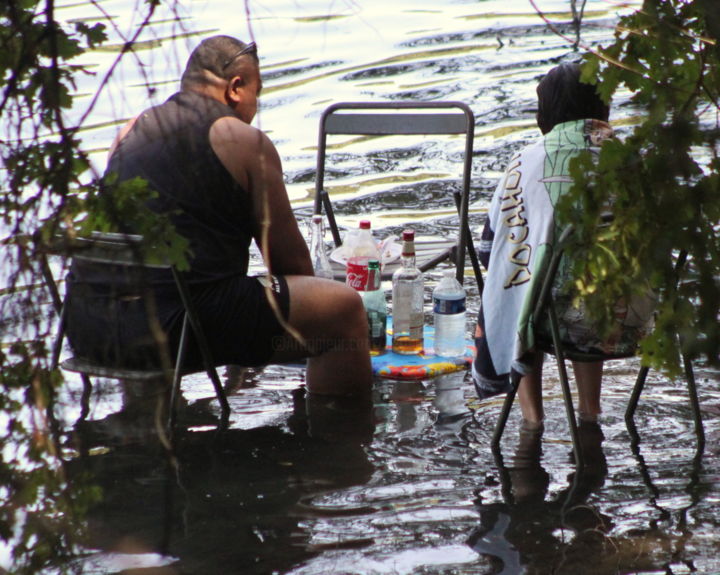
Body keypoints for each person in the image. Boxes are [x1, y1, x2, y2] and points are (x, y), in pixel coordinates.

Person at [65, 35, 372, 402]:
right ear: (237, 88)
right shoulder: (243, 141)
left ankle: (150, 428)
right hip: (175, 330)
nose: (255, 107)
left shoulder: (128, 131)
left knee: (161, 285)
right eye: (257, 94)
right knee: (342, 310)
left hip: (91, 326)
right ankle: (339, 447)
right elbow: (291, 264)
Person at [472, 62, 654, 428]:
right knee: (588, 281)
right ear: (603, 107)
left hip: (546, 321)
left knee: (522, 281)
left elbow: (491, 250)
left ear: (547, 111)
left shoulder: (525, 162)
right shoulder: (634, 160)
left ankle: (532, 419)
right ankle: (591, 410)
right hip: (633, 317)